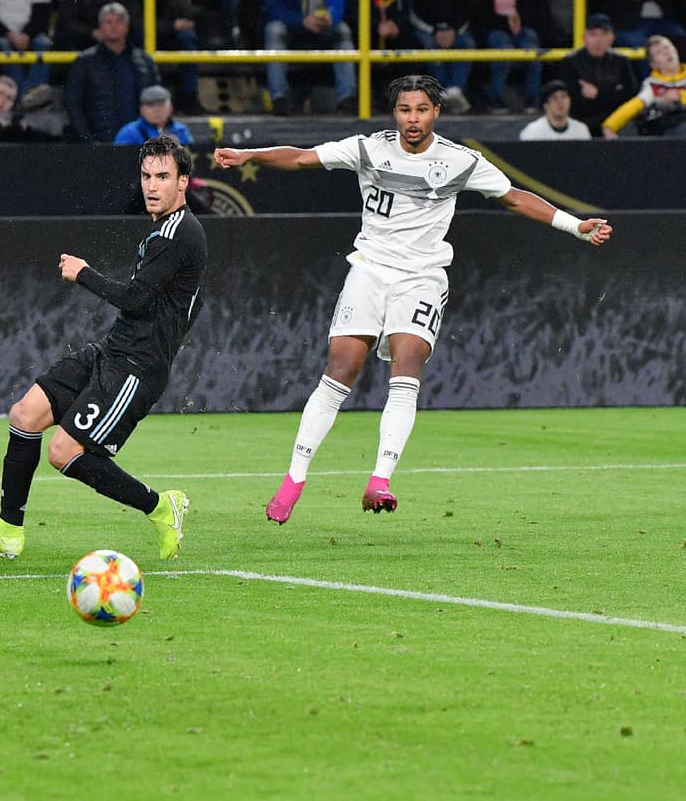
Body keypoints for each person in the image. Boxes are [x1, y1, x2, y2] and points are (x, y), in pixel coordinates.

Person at [212, 74, 613, 523]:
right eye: (405, 110)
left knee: (407, 369)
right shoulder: (368, 148)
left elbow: (514, 198)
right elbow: (303, 157)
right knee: (340, 370)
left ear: (436, 112)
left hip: (422, 278)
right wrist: (251, 155)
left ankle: (380, 481)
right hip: (369, 271)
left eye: (421, 109)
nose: (413, 119)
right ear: (395, 113)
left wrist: (573, 225)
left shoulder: (461, 161)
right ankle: (294, 479)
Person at [0, 135, 206, 562]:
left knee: (64, 453)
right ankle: (8, 528)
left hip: (135, 368)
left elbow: (136, 299)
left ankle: (160, 506)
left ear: (183, 183)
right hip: (113, 351)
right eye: (145, 176)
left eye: (163, 176)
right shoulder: (164, 231)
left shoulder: (179, 234)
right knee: (25, 414)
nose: (151, 186)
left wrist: (84, 273)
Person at [64, 2, 160, 143]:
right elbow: (73, 104)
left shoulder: (145, 61)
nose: (114, 26)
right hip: (99, 145)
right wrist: (89, 141)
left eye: (119, 22)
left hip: (138, 145)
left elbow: (156, 100)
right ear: (100, 27)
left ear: (126, 27)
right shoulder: (85, 62)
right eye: (108, 22)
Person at [261, 0, 357, 115]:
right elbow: (274, 9)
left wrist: (331, 18)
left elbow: (337, 1)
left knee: (343, 30)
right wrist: (301, 21)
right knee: (274, 29)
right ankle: (279, 98)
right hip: (292, 29)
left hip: (322, 28)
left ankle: (347, 98)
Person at [556, 13, 638, 137]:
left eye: (603, 34)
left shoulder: (621, 62)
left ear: (612, 38)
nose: (598, 40)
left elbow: (630, 96)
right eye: (593, 34)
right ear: (584, 37)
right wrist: (612, 94)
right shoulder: (570, 62)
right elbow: (571, 100)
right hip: (581, 122)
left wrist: (597, 94)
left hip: (615, 122)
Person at [602, 35, 686, 138]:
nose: (666, 52)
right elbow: (632, 107)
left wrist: (680, 96)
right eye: (659, 52)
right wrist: (609, 126)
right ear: (653, 64)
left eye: (667, 47)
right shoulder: (653, 85)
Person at [407, 0, 476, 114]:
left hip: (455, 29)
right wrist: (433, 31)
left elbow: (470, 10)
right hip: (427, 29)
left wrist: (454, 30)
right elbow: (412, 13)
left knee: (466, 43)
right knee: (430, 44)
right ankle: (444, 90)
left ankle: (455, 89)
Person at [113, 84, 194, 145]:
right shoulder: (129, 132)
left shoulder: (181, 130)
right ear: (141, 109)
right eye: (150, 105)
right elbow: (120, 160)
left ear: (171, 108)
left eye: (161, 105)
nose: (156, 110)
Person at [518, 79, 592, 140]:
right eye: (554, 98)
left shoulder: (581, 131)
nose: (560, 102)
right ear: (546, 105)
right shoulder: (532, 132)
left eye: (563, 96)